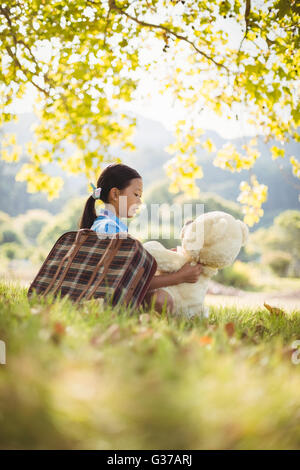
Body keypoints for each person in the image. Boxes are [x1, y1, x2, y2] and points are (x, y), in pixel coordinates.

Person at [79, 163, 203, 315]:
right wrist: (179, 277)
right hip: (111, 303)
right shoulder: (110, 231)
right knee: (161, 299)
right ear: (116, 194)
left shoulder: (105, 226)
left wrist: (163, 258)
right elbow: (127, 283)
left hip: (111, 298)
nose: (140, 202)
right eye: (136, 194)